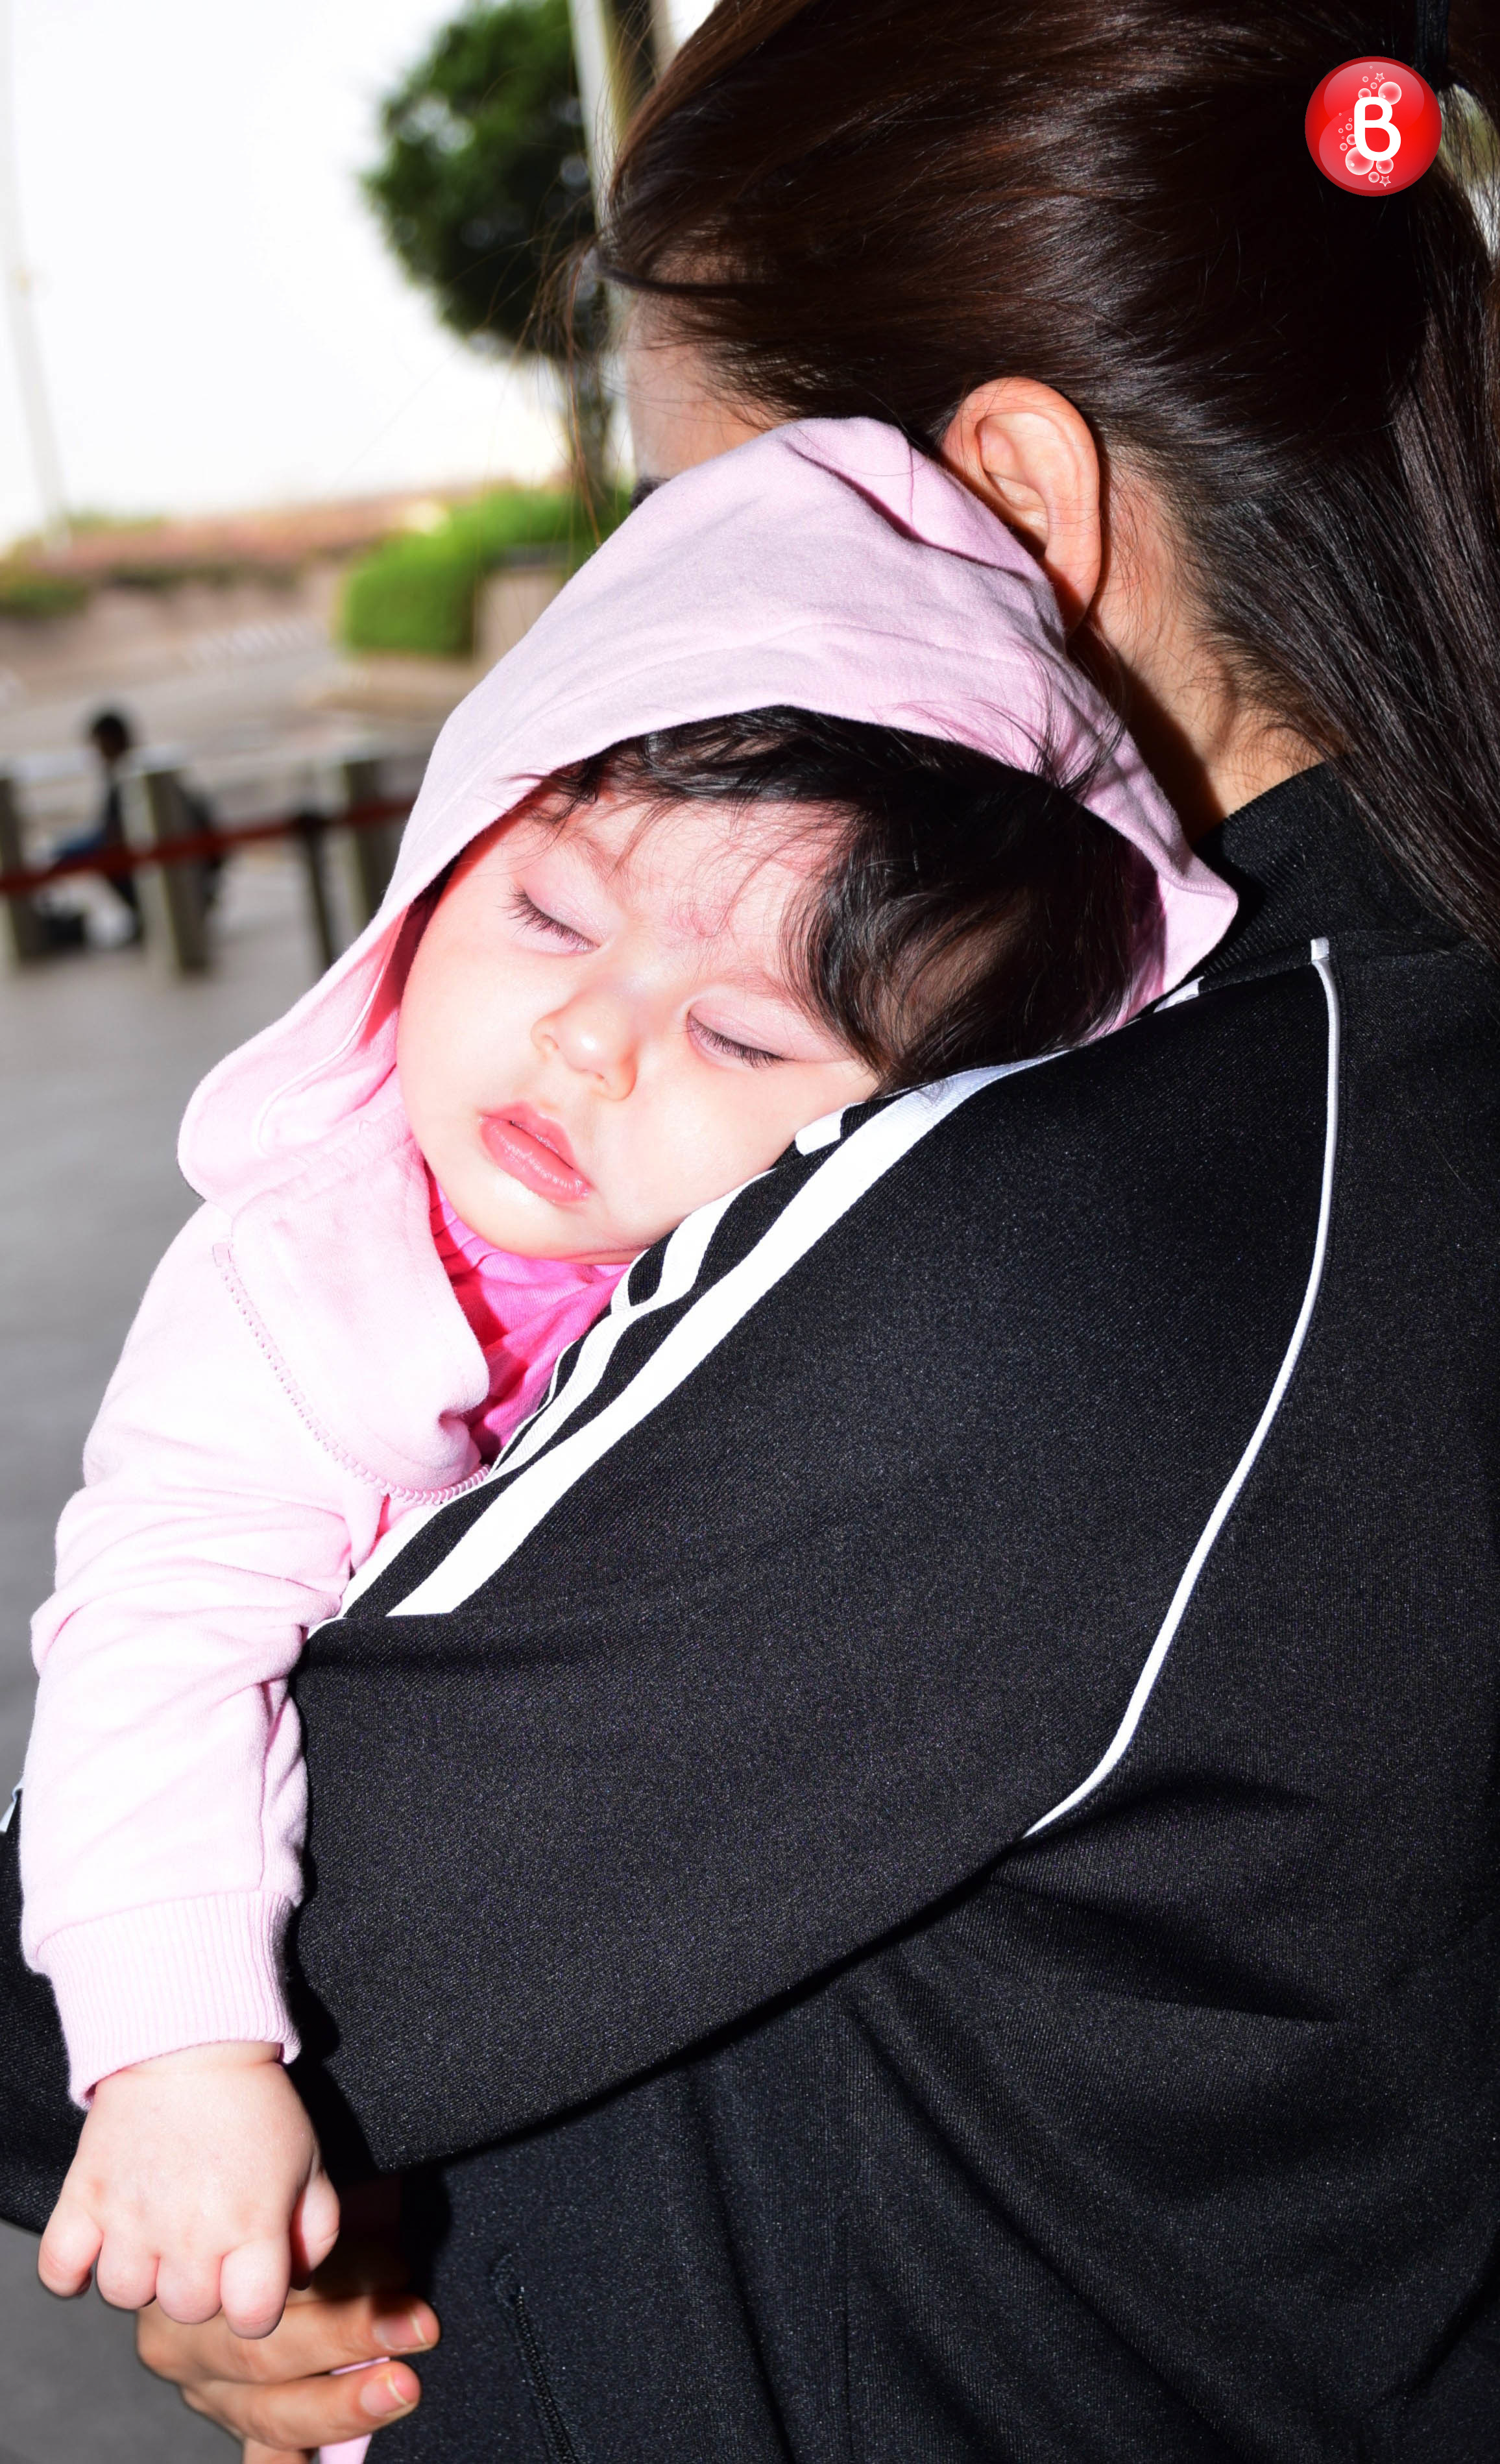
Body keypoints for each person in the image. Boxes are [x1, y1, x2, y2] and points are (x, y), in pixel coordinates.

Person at [131, 0, 1500, 2455]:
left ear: (1010, 500)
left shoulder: (1062, 1212)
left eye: (698, 516)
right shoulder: (1395, 1048)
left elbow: (178, 1989)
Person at [21, 422, 1223, 2356]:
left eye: (741, 1032)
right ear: (438, 869)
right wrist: (174, 2052)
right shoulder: (297, 1291)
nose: (590, 1039)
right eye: (553, 918)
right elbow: (152, 1649)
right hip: (364, 2101)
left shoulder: (875, 1292)